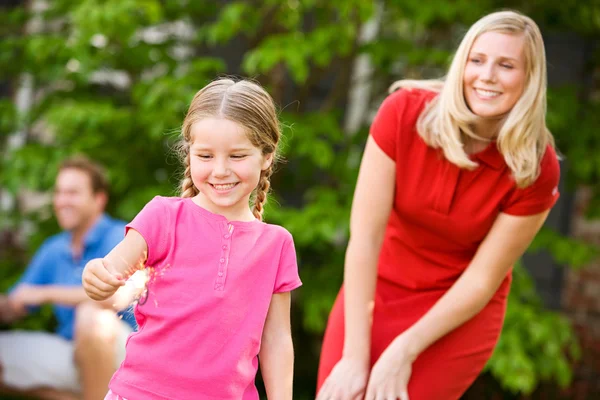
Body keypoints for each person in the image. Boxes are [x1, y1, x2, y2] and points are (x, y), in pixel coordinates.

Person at [316, 10, 560, 400]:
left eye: (506, 65)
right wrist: (355, 356)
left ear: (529, 79)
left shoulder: (536, 167)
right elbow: (365, 237)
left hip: (456, 313)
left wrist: (404, 350)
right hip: (377, 287)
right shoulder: (403, 114)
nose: (487, 75)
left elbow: (483, 280)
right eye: (477, 60)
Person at [82, 78, 302, 400]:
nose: (221, 171)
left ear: (267, 156)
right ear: (190, 154)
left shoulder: (276, 244)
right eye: (206, 156)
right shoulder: (162, 216)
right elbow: (110, 283)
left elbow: (277, 339)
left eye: (237, 156)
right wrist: (95, 277)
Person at [0, 156, 139, 400]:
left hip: (126, 352)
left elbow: (117, 297)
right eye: (59, 192)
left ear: (99, 200)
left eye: (72, 193)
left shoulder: (120, 236)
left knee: (91, 317)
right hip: (71, 351)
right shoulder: (54, 248)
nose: (62, 201)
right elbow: (15, 305)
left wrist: (44, 293)